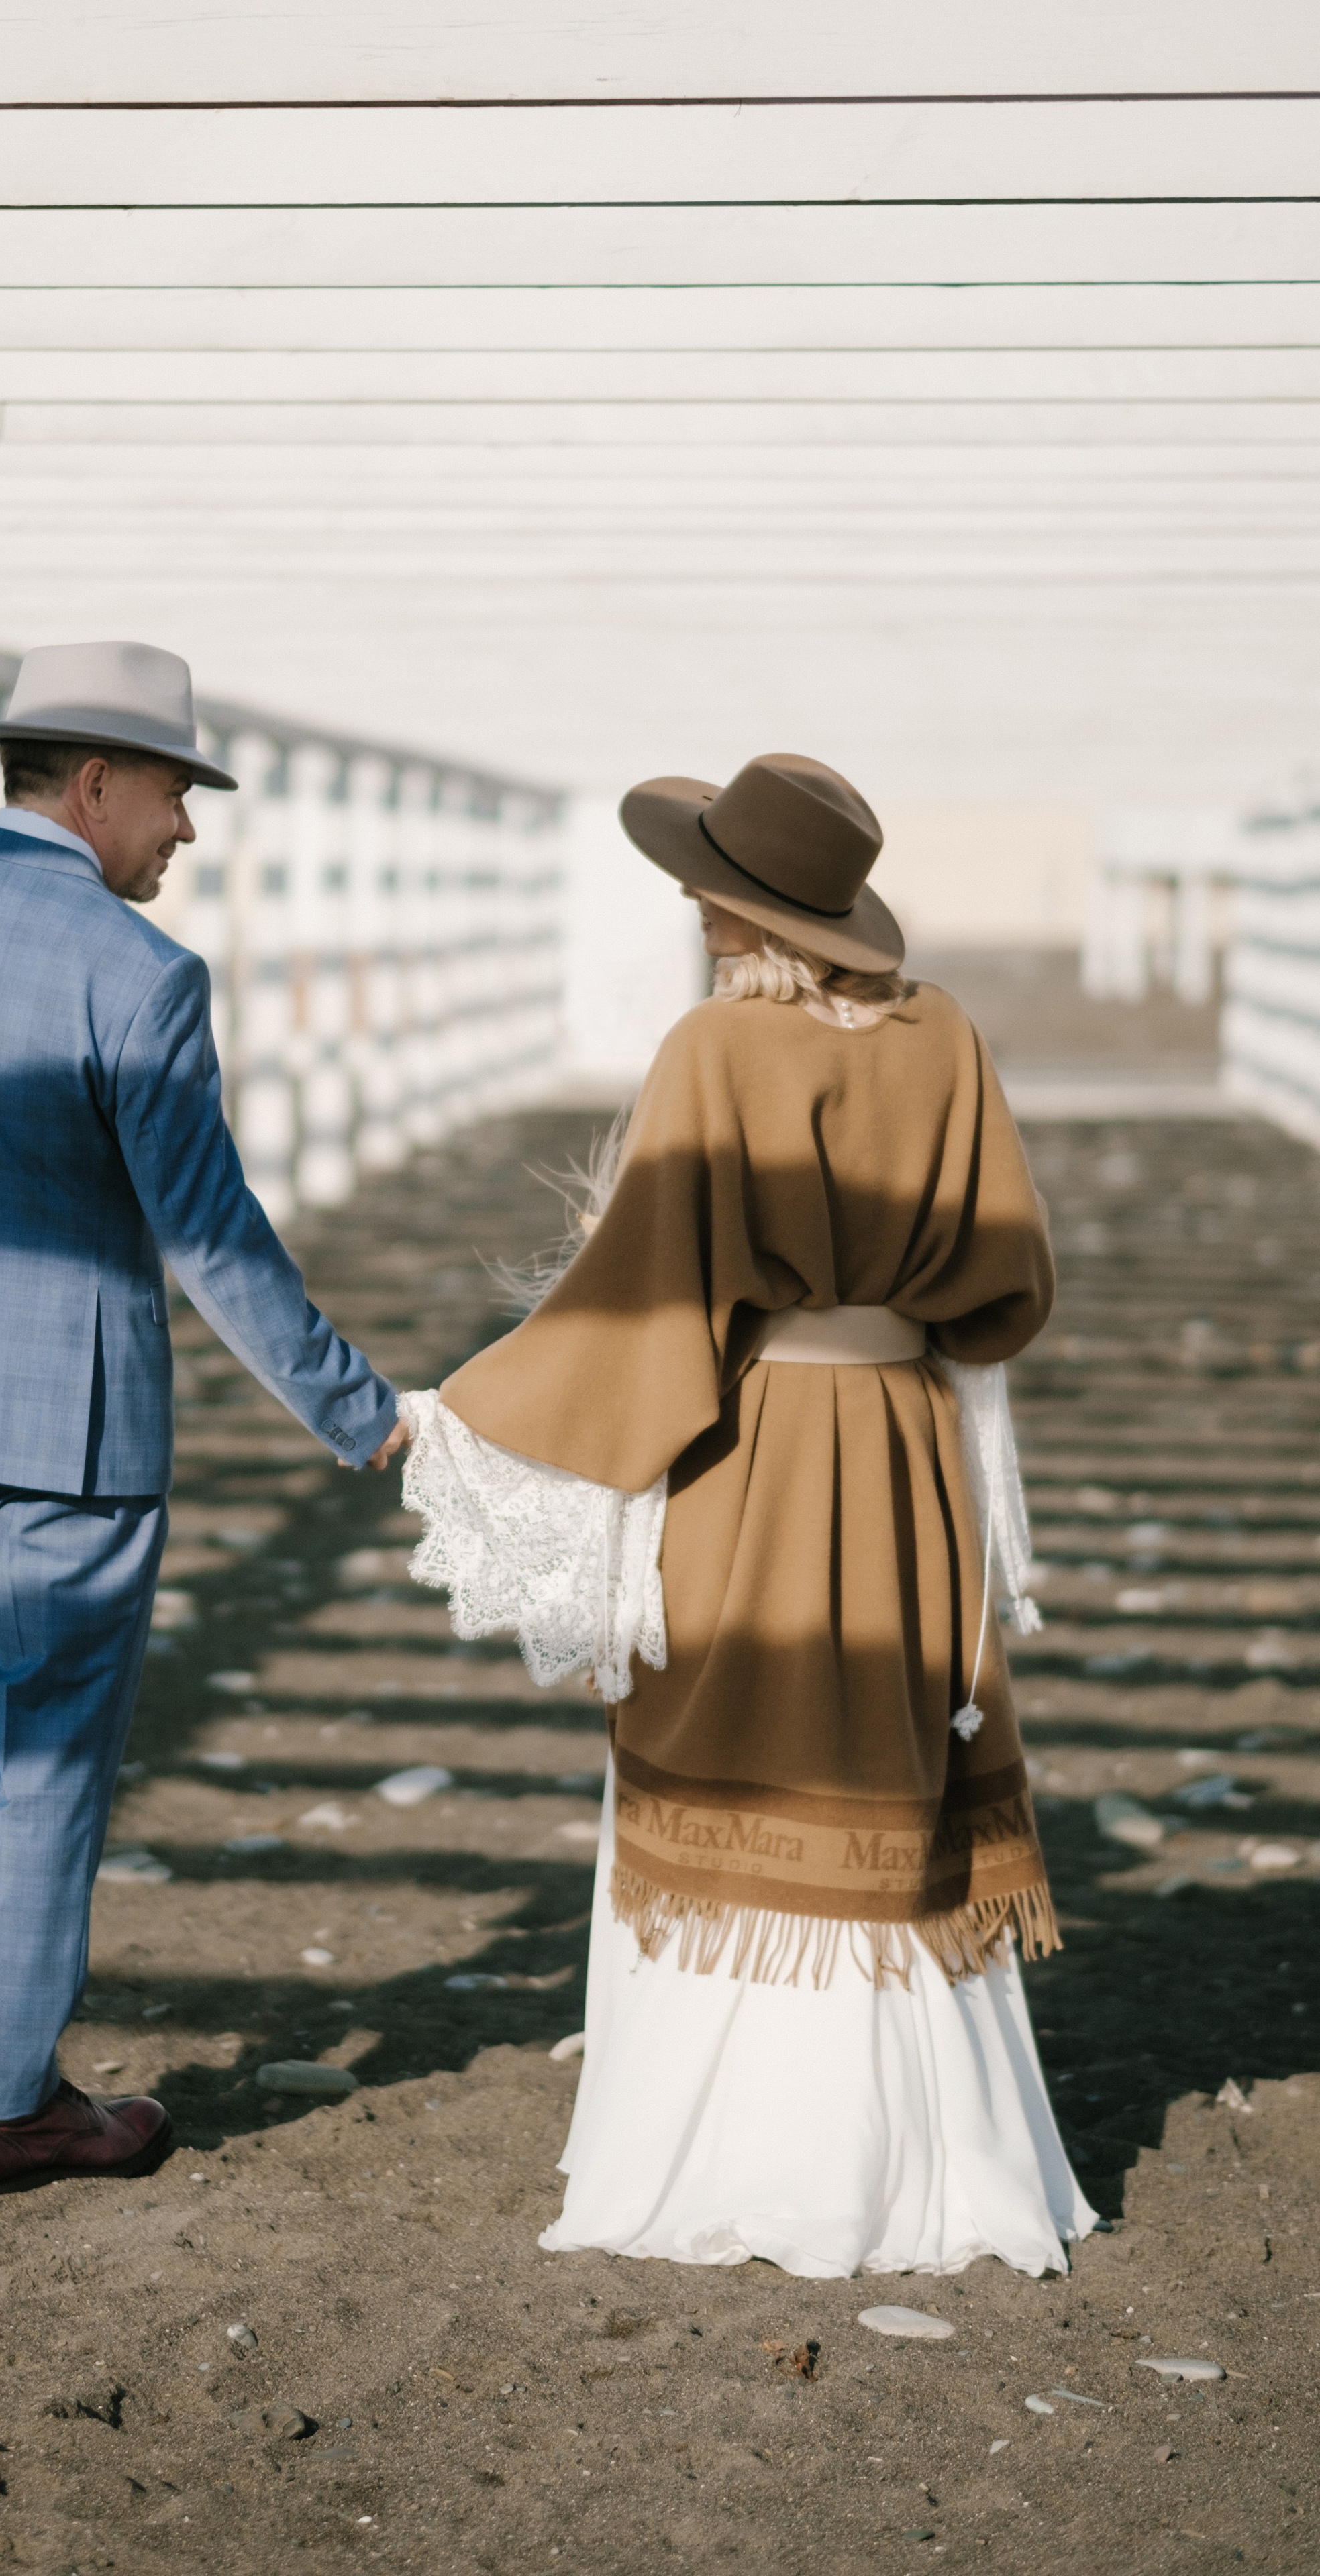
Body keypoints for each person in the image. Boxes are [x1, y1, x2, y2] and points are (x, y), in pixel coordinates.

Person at [399, 752, 1095, 2278]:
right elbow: (1010, 1291)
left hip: (761, 1447)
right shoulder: (948, 1039)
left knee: (744, 1735)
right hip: (905, 1449)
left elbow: (644, 1296)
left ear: (726, 910)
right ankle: (937, 2170)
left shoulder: (715, 1050)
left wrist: (470, 1415)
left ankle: (733, 2160)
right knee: (896, 1760)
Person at [0, 640, 407, 2195]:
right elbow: (205, 1236)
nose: (185, 830)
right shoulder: (140, 975)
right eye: (177, 794)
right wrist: (359, 1413)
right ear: (96, 781)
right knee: (51, 1749)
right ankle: (14, 2104)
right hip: (76, 1422)